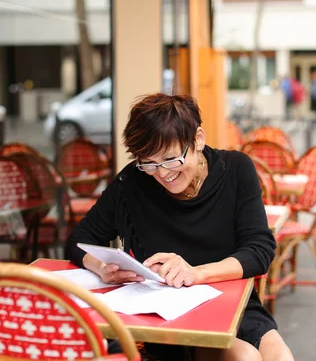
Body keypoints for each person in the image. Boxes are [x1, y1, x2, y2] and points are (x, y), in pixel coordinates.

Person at [66, 93, 295, 361]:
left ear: (198, 139)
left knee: (280, 356)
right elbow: (79, 240)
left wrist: (196, 273)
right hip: (166, 312)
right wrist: (102, 269)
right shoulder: (133, 182)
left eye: (170, 159)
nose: (162, 173)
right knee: (244, 357)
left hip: (231, 300)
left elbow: (259, 250)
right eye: (149, 162)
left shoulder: (236, 170)